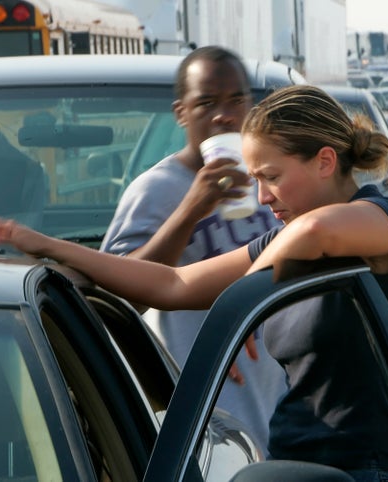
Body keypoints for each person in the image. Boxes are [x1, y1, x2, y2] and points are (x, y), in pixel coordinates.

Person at [0, 84, 388, 481]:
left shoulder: (385, 220)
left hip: (369, 470)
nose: (263, 198)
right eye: (256, 181)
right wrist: (47, 245)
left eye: (272, 178)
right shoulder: (285, 241)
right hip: (294, 462)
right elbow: (172, 284)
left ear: (325, 161)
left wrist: (243, 307)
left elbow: (317, 233)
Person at [99, 45, 286, 455]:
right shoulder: (157, 190)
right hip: (205, 429)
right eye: (206, 102)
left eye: (236, 99)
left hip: (279, 414)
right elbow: (115, 299)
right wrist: (190, 209)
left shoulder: (273, 181)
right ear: (181, 112)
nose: (224, 114)